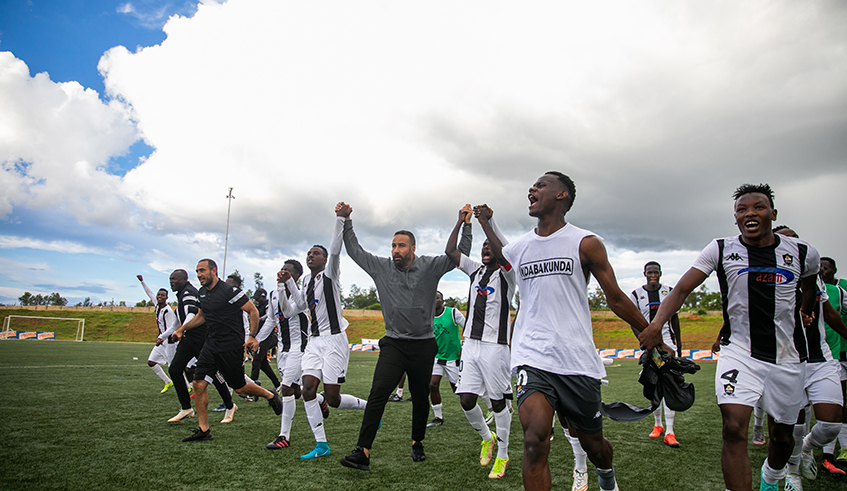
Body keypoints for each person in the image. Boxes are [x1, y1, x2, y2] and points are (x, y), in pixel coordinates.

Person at [639, 184, 820, 491]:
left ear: (773, 214)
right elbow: (682, 289)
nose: (750, 213)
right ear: (735, 218)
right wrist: (657, 324)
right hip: (739, 351)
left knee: (782, 437)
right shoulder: (721, 249)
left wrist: (805, 311)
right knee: (734, 428)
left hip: (788, 356)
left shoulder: (803, 252)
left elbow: (810, 286)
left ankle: (770, 477)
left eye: (758, 207)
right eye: (742, 209)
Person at [486, 172, 647, 491]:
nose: (532, 189)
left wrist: (649, 334)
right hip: (532, 357)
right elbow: (500, 253)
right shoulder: (520, 248)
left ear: (562, 195)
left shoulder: (585, 243)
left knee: (594, 445)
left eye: (541, 185)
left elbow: (615, 297)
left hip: (576, 360)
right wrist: (486, 222)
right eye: (533, 185)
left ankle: (606, 477)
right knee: (534, 441)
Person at [338, 201, 471, 471]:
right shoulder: (381, 267)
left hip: (423, 345)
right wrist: (347, 221)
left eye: (401, 246)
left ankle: (417, 442)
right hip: (394, 344)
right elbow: (354, 250)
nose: (395, 250)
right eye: (393, 246)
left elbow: (461, 254)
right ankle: (362, 451)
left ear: (413, 248)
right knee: (378, 392)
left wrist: (465, 225)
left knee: (420, 397)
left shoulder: (430, 266)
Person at [278, 219, 367, 460]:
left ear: (325, 261)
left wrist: (340, 219)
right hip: (314, 342)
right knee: (307, 390)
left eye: (316, 253)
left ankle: (368, 408)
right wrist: (285, 284)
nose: (311, 256)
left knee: (332, 399)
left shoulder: (330, 274)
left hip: (334, 341)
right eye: (309, 253)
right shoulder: (306, 281)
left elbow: (336, 249)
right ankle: (321, 444)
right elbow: (294, 308)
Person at [769, 228, 847, 491]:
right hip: (787, 360)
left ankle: (807, 448)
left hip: (820, 357)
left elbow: (830, 313)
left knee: (831, 423)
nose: (792, 243)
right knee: (795, 424)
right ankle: (792, 474)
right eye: (785, 239)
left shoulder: (813, 277)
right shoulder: (769, 276)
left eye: (795, 238)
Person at [173, 259, 282, 442]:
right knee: (198, 384)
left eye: (202, 270)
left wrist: (252, 336)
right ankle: (204, 430)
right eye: (197, 271)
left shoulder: (229, 291)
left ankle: (270, 395)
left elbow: (253, 311)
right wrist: (182, 329)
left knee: (239, 387)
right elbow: (201, 316)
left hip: (230, 347)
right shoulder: (202, 293)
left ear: (213, 271)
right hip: (210, 345)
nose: (199, 275)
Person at [446, 203, 516, 480]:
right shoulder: (475, 271)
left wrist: (486, 222)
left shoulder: (508, 274)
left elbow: (502, 252)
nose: (486, 248)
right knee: (466, 400)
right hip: (471, 345)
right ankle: (488, 438)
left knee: (498, 403)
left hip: (495, 347)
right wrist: (461, 222)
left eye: (490, 246)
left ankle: (503, 454)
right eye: (483, 246)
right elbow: (450, 252)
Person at [166, 269, 237, 424]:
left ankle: (230, 405)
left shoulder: (188, 293)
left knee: (213, 373)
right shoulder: (182, 293)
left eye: (175, 279)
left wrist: (181, 330)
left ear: (184, 279)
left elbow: (193, 314)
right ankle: (186, 408)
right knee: (175, 369)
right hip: (189, 339)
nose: (172, 282)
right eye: (170, 279)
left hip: (201, 339)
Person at [630, 261, 682, 447]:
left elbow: (674, 319)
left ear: (660, 273)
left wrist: (679, 345)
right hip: (648, 346)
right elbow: (633, 321)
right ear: (644, 273)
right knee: (654, 385)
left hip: (667, 344)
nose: (653, 275)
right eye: (650, 272)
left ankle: (670, 432)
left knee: (669, 384)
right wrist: (643, 342)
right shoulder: (636, 294)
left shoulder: (669, 291)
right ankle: (658, 425)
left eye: (656, 272)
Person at [262, 260, 310, 450]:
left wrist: (284, 285)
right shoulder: (273, 294)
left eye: (287, 271)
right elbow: (271, 320)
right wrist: (256, 339)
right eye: (282, 269)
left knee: (287, 388)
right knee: (296, 391)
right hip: (282, 349)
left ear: (296, 276)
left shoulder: (301, 295)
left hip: (299, 347)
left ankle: (284, 436)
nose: (282, 272)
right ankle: (320, 400)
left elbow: (287, 311)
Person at [818, 256, 847, 475]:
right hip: (807, 356)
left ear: (834, 270)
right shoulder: (804, 287)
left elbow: (833, 317)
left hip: (835, 355)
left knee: (838, 405)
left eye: (826, 267)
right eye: (819, 266)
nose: (821, 270)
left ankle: (834, 453)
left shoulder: (840, 290)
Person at [426, 291, 465, 428]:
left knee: (458, 390)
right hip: (436, 357)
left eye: (437, 298)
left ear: (442, 301)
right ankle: (438, 417)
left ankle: (489, 407)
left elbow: (468, 328)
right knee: (432, 385)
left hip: (453, 358)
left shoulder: (453, 313)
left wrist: (465, 347)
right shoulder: (427, 316)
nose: (434, 300)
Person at [137, 275, 178, 394]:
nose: (159, 297)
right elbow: (149, 293)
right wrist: (142, 282)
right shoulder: (157, 305)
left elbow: (171, 328)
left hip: (169, 342)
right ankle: (168, 382)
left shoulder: (168, 311)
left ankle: (187, 386)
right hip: (161, 341)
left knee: (173, 367)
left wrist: (161, 337)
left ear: (167, 298)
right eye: (158, 295)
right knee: (151, 362)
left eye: (162, 295)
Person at [250, 288, 280, 391]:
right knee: (263, 364)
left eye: (258, 298)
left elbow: (269, 316)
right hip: (260, 337)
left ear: (263, 297)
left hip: (269, 337)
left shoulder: (268, 304)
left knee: (256, 360)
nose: (256, 301)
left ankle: (252, 387)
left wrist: (260, 319)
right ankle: (277, 384)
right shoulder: (257, 306)